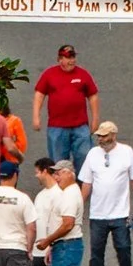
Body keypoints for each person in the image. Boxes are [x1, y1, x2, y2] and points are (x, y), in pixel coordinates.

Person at [78, 121, 133, 266]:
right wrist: (78, 206)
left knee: (124, 248)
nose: (101, 139)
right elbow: (87, 182)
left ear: (114, 135)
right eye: (99, 136)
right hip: (97, 214)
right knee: (96, 254)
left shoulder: (127, 152)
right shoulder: (93, 154)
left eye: (104, 136)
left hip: (120, 213)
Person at [32, 44, 100, 173]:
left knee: (85, 159)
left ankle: (82, 188)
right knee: (58, 163)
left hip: (80, 127)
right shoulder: (49, 74)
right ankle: (60, 189)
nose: (71, 61)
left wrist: (95, 119)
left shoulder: (83, 74)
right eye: (68, 58)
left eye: (73, 57)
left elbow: (93, 96)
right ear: (60, 59)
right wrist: (36, 116)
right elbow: (39, 95)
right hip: (57, 128)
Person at [31, 157, 86, 266]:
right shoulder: (68, 192)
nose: (56, 177)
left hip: (66, 247)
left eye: (59, 173)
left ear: (69, 174)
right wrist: (52, 245)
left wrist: (48, 240)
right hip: (63, 245)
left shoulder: (70, 194)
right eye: (54, 174)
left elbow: (68, 224)